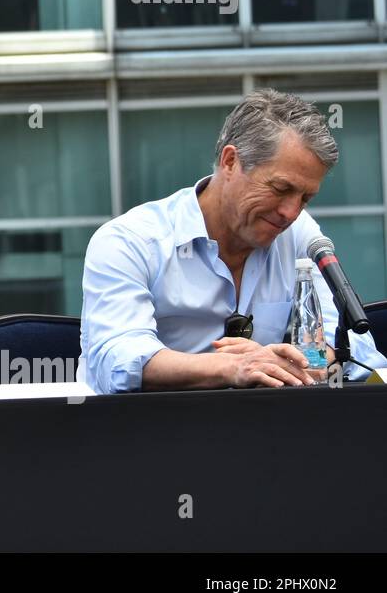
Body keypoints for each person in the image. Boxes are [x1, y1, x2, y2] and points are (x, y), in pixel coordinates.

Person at [82, 89, 386, 393]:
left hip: (261, 430)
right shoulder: (129, 240)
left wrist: (304, 363)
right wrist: (231, 368)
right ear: (230, 162)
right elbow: (117, 361)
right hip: (150, 430)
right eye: (281, 189)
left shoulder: (298, 232)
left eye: (305, 198)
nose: (291, 212)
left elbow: (355, 345)